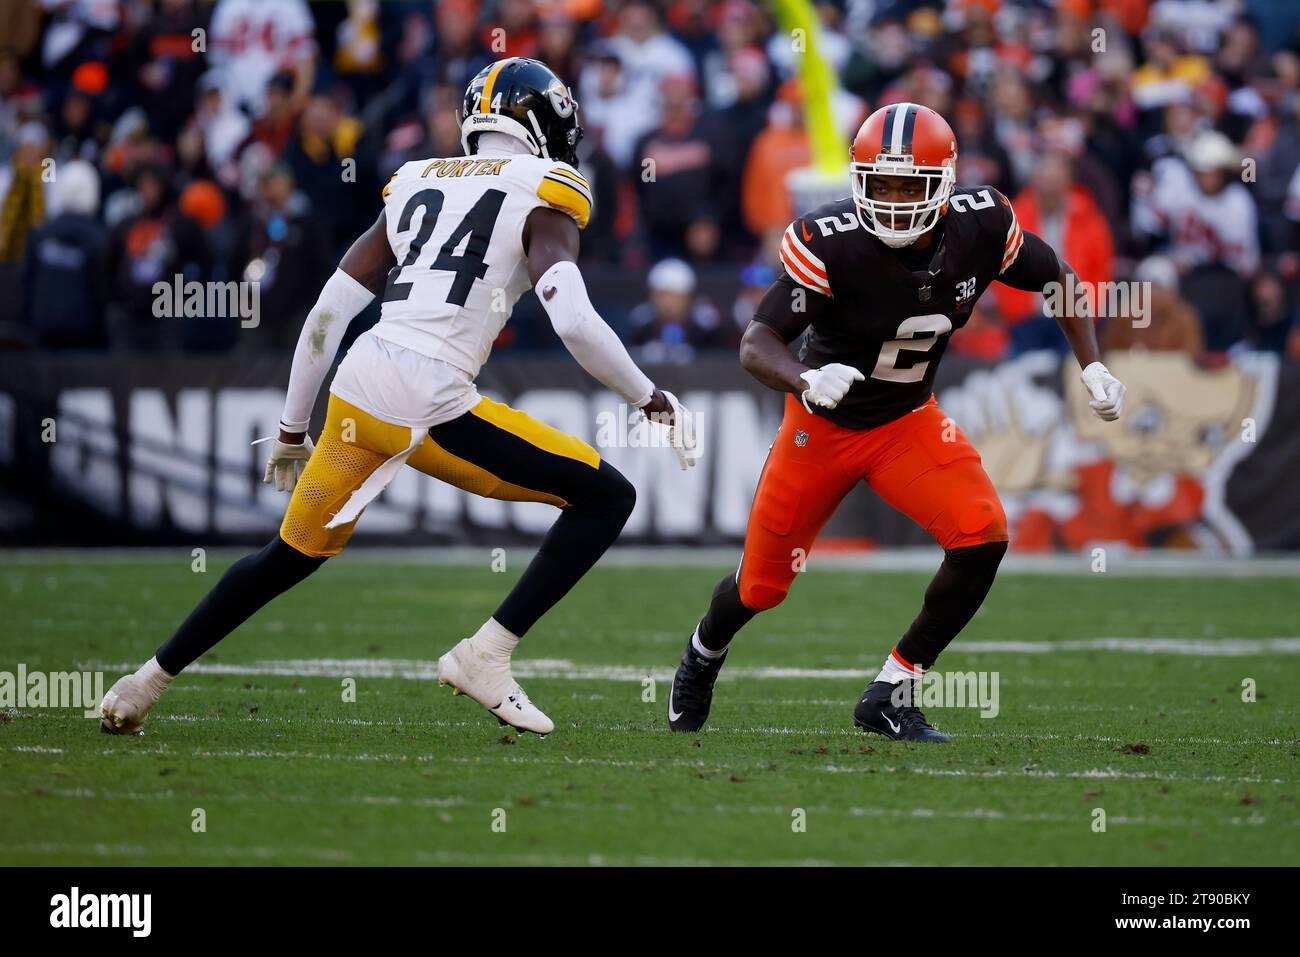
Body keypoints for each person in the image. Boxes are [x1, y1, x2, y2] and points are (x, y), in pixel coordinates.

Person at [101, 58, 699, 739]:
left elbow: (329, 310)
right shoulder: (547, 188)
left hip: (359, 387)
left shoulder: (420, 177)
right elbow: (573, 321)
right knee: (607, 496)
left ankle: (144, 681)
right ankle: (485, 654)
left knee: (286, 556)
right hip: (428, 398)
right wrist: (650, 398)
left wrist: (294, 426)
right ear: (540, 124)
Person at [668, 102, 1127, 742]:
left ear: (944, 181)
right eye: (879, 183)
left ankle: (892, 691)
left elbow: (1059, 279)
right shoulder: (830, 240)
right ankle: (703, 654)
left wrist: (1093, 366)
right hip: (820, 427)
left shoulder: (983, 225)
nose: (891, 200)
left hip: (908, 421)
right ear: (857, 179)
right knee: (760, 588)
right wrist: (804, 379)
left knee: (982, 534)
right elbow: (757, 341)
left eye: (908, 184)